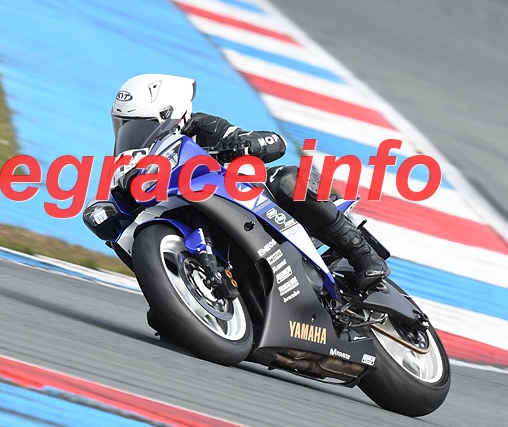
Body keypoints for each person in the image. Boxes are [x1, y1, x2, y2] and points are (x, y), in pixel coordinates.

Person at [111, 73, 389, 291]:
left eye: (141, 125)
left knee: (289, 180)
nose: (132, 134)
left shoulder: (203, 127)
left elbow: (273, 142)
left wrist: (246, 144)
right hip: (192, 214)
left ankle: (363, 254)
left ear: (169, 114)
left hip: (245, 202)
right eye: (126, 126)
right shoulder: (138, 161)